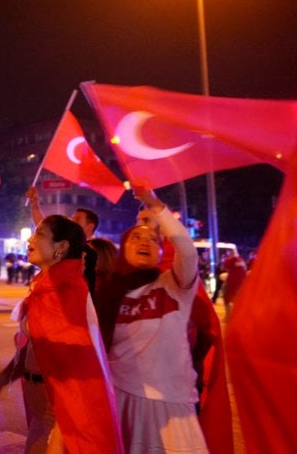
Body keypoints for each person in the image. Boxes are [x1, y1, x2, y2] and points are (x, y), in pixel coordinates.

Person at [0, 215, 122, 453]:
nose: (29, 238)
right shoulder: (46, 287)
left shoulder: (65, 293)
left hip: (59, 407)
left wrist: (60, 431)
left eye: (39, 234)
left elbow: (78, 372)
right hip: (38, 396)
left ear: (61, 247)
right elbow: (34, 347)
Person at [94, 183, 208, 453]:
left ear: (160, 252)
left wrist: (156, 205)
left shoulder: (175, 285)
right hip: (120, 393)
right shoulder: (107, 293)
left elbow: (188, 250)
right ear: (123, 248)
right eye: (136, 238)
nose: (145, 241)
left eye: (153, 239)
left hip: (171, 400)